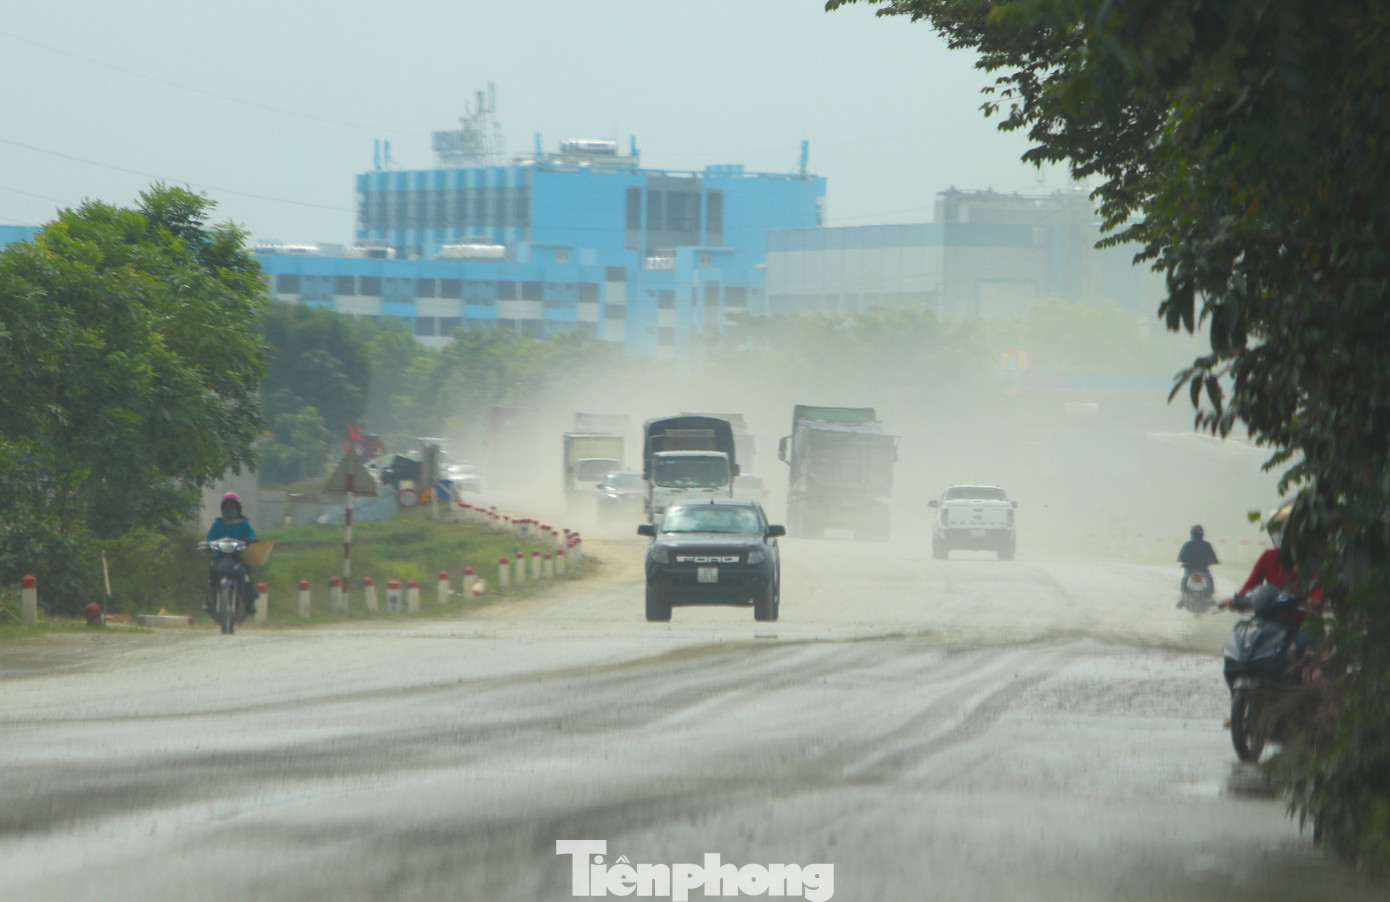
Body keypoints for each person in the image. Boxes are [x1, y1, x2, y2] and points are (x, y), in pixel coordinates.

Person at [205, 492, 259, 616]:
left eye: (233, 505)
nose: (230, 509)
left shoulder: (244, 524)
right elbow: (210, 539)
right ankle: (209, 602)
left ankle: (249, 602)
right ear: (223, 508)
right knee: (212, 572)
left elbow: (251, 536)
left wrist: (250, 540)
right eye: (227, 506)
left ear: (238, 508)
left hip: (238, 558)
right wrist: (208, 545)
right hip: (220, 558)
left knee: (246, 576)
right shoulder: (217, 524)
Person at [1177, 524, 1219, 607]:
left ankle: (1182, 598)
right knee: (1209, 579)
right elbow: (1213, 557)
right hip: (1203, 568)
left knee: (1185, 579)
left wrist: (1183, 562)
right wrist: (1214, 561)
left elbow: (1181, 557)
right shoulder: (1206, 544)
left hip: (1190, 568)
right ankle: (1210, 597)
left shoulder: (1188, 544)